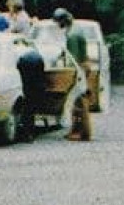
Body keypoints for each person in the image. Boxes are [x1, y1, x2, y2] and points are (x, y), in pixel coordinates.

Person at [52, 9, 95, 141]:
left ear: (63, 20)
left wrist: (72, 76)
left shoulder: (72, 35)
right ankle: (78, 130)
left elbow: (74, 59)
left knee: (77, 103)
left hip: (79, 70)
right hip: (83, 67)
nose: (57, 25)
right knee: (80, 102)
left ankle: (81, 132)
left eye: (58, 22)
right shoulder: (76, 29)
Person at [15, 39, 46, 141]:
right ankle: (29, 132)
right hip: (36, 62)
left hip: (25, 64)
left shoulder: (16, 50)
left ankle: (25, 131)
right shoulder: (32, 49)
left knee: (26, 101)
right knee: (30, 102)